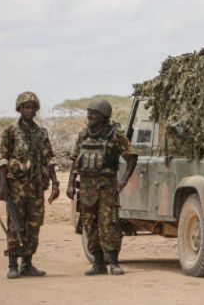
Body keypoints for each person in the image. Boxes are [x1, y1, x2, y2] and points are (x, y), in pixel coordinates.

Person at [66, 99, 138, 276]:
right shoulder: (83, 135)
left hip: (107, 188)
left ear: (103, 116)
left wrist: (123, 182)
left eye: (93, 113)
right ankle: (98, 263)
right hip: (86, 188)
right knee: (89, 224)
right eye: (88, 112)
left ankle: (113, 262)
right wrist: (70, 184)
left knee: (109, 224)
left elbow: (132, 156)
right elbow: (75, 160)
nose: (89, 116)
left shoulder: (114, 135)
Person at [0, 91, 60, 279]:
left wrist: (56, 183)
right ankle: (12, 265)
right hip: (16, 188)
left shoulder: (41, 133)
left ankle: (27, 263)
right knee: (15, 224)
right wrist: (3, 185)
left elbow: (49, 159)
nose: (29, 110)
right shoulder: (10, 131)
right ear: (19, 108)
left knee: (34, 225)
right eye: (26, 107)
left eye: (32, 107)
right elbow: (2, 159)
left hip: (36, 188)